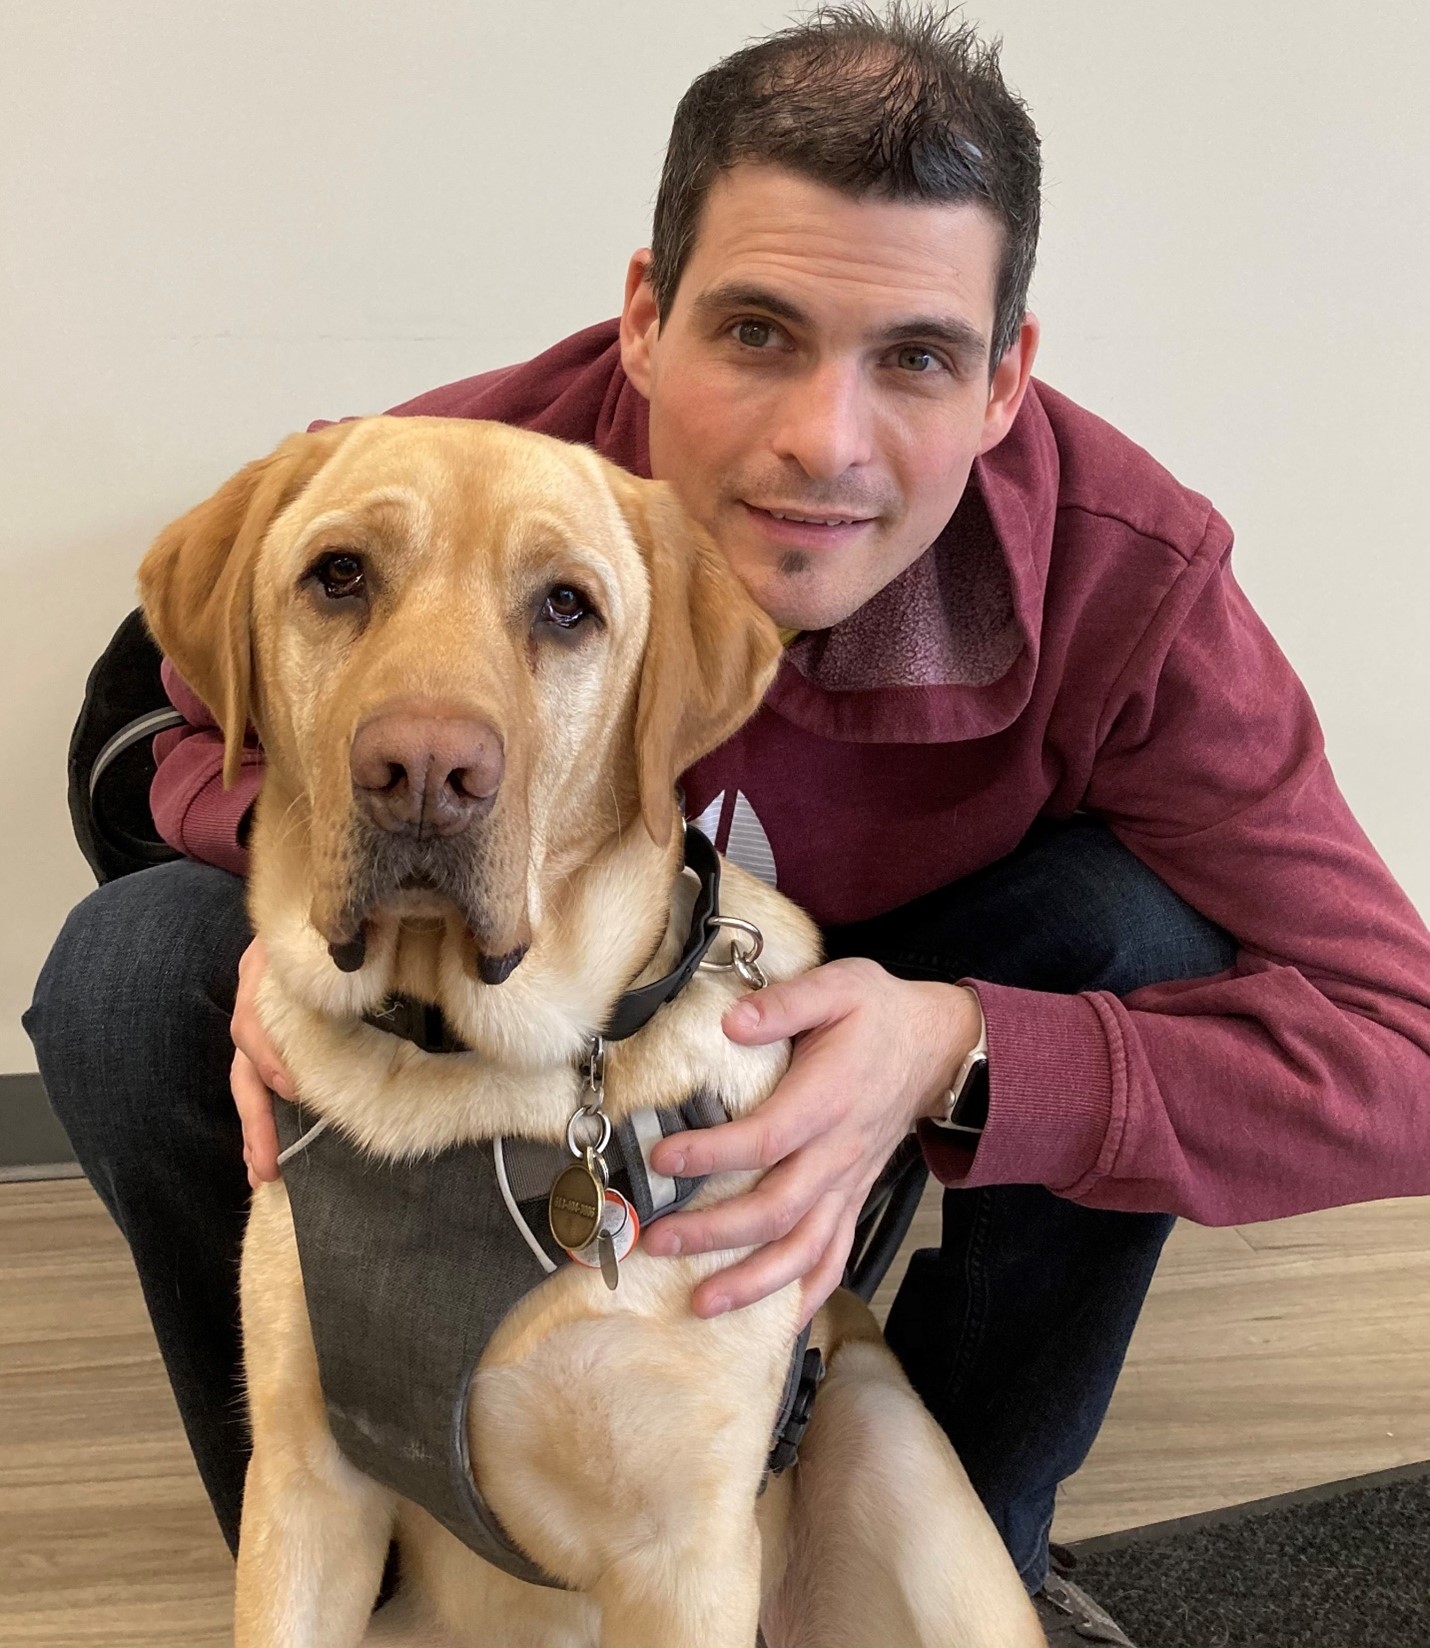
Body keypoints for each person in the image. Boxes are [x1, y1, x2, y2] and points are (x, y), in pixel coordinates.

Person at [26, 7, 1430, 1645]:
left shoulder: (1129, 577)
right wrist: (336, 852)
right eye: (755, 332)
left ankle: (983, 1521)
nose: (817, 444)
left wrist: (964, 1055)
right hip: (499, 1038)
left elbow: (1401, 1050)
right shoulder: (465, 470)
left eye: (911, 355)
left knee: (1135, 940)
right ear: (643, 316)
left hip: (860, 1013)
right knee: (135, 973)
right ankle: (370, 1528)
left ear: (1003, 380)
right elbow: (130, 742)